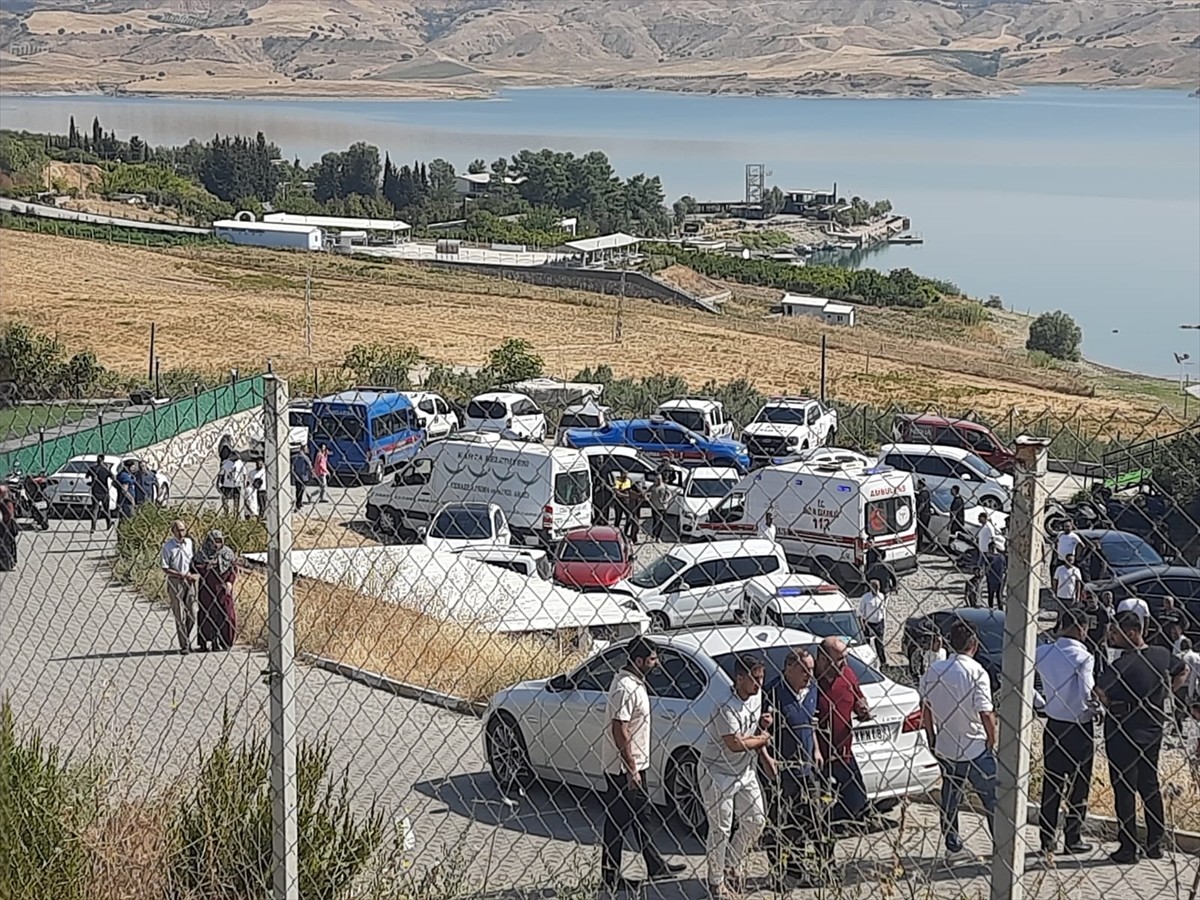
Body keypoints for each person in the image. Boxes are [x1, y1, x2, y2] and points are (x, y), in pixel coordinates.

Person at [1095, 611, 1187, 863]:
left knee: (1124, 787)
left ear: (1133, 632)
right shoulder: (1161, 654)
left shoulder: (1123, 664)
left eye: (1117, 633)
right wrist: (1167, 692)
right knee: (1149, 784)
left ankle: (1128, 848)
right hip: (1152, 728)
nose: (1113, 638)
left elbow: (1099, 690)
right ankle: (1155, 844)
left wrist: (1111, 703)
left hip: (1122, 729)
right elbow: (1182, 670)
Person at [600, 637, 683, 891]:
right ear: (638, 661)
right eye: (652, 659)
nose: (656, 663)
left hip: (633, 765)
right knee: (619, 821)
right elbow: (619, 729)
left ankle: (654, 865)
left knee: (642, 816)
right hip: (623, 769)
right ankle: (610, 877)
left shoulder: (635, 682)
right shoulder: (625, 687)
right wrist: (632, 768)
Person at [919, 620, 998, 864]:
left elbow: (925, 707)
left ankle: (952, 846)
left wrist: (932, 736)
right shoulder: (977, 672)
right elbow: (985, 712)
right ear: (973, 644)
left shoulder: (934, 671)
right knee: (992, 797)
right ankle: (1001, 843)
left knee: (951, 795)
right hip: (975, 745)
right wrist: (992, 739)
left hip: (946, 743)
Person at [701, 654, 770, 898]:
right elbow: (735, 743)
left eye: (762, 677)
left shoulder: (756, 696)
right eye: (754, 679)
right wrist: (762, 739)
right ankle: (716, 881)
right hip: (717, 772)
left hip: (744, 771)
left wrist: (762, 725)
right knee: (721, 828)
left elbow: (751, 732)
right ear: (739, 678)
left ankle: (731, 862)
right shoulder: (724, 705)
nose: (759, 684)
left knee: (756, 820)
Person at [761, 648, 832, 884]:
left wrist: (816, 749)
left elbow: (811, 722)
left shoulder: (811, 689)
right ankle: (788, 872)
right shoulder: (772, 691)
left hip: (807, 768)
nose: (809, 675)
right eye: (804, 670)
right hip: (782, 769)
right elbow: (760, 730)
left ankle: (826, 869)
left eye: (811, 669)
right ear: (788, 668)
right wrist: (767, 756)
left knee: (817, 820)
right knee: (782, 822)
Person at [1034, 608, 1098, 857]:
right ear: (1080, 627)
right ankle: (1073, 837)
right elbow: (1086, 691)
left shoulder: (1042, 652)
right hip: (1079, 725)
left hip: (1054, 724)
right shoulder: (1083, 656)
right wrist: (1096, 710)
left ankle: (1047, 839)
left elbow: (1023, 678)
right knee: (1079, 784)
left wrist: (1041, 703)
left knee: (1052, 783)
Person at [814, 636, 871, 827]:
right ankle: (817, 830)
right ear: (822, 659)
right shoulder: (809, 679)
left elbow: (858, 700)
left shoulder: (848, 675)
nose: (844, 663)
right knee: (816, 803)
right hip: (817, 757)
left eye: (845, 657)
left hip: (843, 753)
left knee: (857, 799)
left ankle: (826, 825)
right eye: (839, 659)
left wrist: (863, 709)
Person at [194, 529, 237, 652]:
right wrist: (206, 567)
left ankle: (225, 642)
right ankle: (209, 642)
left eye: (219, 541)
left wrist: (230, 582)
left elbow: (233, 569)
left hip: (223, 590)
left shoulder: (227, 553)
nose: (217, 544)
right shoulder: (202, 553)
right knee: (208, 616)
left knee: (227, 615)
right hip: (207, 590)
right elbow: (195, 567)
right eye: (214, 541)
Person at [160, 520, 197, 653]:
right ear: (173, 532)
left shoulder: (189, 543)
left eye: (183, 530)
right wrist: (181, 575)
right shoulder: (168, 547)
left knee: (192, 613)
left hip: (189, 580)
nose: (181, 533)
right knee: (179, 614)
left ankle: (185, 637)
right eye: (178, 530)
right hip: (175, 581)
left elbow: (192, 561)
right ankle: (185, 645)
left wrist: (193, 574)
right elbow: (165, 568)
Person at [857, 579, 887, 666]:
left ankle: (883, 662)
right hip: (868, 623)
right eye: (875, 587)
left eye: (878, 587)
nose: (877, 589)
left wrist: (884, 621)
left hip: (879, 623)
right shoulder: (865, 598)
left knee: (880, 643)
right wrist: (862, 624)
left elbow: (883, 610)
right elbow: (861, 612)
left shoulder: (881, 596)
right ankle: (867, 661)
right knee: (867, 643)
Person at [85, 455, 113, 532]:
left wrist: (92, 480)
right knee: (106, 509)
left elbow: (86, 477)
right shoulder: (105, 469)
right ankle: (109, 523)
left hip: (95, 491)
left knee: (95, 510)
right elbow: (113, 477)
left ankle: (93, 527)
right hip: (104, 491)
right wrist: (109, 469)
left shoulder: (92, 468)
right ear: (103, 460)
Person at [645, 474, 672, 541]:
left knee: (661, 522)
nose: (658, 481)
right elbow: (646, 493)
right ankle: (653, 535)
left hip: (663, 507)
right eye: (657, 480)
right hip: (655, 507)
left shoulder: (664, 486)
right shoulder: (653, 487)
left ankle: (658, 536)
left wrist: (667, 500)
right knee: (655, 521)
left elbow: (670, 494)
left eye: (660, 479)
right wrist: (647, 498)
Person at [984, 542, 1007, 610]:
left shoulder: (988, 557)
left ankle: (991, 610)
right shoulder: (1001, 557)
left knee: (992, 596)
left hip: (992, 579)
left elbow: (986, 568)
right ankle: (1000, 610)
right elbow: (1005, 567)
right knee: (998, 596)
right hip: (999, 579)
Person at [0, 486, 17, 571]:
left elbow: (8, 515)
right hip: (6, 525)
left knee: (6, 544)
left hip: (7, 525)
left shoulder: (6, 501)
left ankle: (7, 563)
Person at [915, 479, 933, 552]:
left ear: (921, 485)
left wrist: (917, 512)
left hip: (923, 514)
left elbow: (922, 505)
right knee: (924, 529)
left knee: (920, 531)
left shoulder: (922, 494)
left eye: (918, 484)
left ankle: (920, 547)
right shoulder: (927, 493)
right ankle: (933, 541)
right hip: (927, 514)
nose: (917, 485)